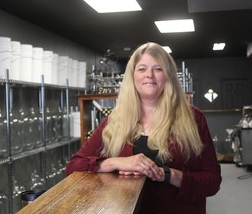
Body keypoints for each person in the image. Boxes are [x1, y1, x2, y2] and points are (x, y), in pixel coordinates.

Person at [66, 42, 221, 214]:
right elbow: (74, 165)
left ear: (168, 76)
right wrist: (116, 162)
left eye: (158, 68)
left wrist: (169, 175)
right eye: (141, 69)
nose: (149, 75)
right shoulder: (115, 120)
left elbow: (212, 181)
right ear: (132, 76)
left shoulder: (194, 118)